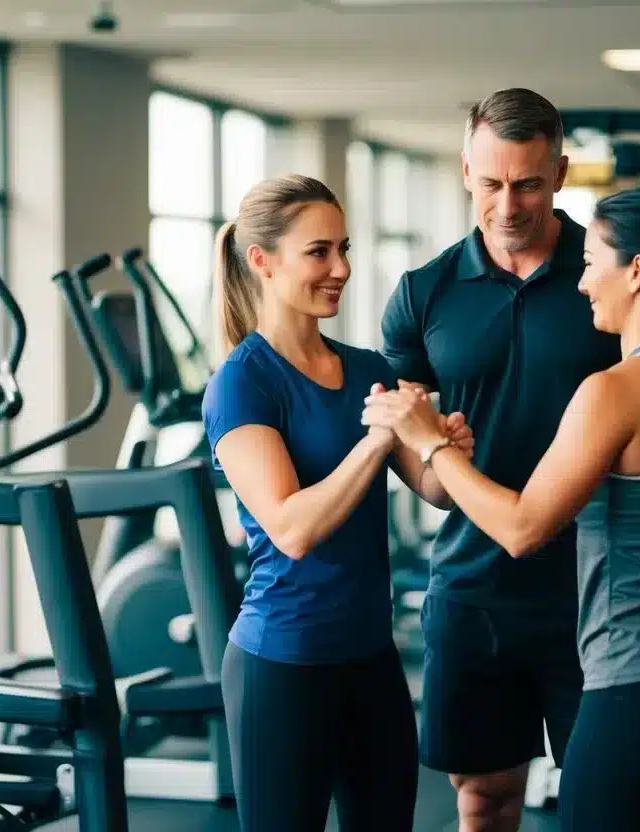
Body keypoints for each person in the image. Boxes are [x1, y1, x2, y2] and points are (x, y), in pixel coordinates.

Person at [363, 183, 640, 831]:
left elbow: (522, 529)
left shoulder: (613, 392)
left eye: (591, 262)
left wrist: (430, 446)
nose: (583, 281)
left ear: (637, 272)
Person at [200, 172, 474, 832]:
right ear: (261, 261)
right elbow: (292, 527)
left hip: (371, 660)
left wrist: (447, 448)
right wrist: (379, 438)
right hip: (282, 665)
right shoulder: (241, 384)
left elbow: (434, 492)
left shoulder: (365, 368)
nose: (341, 269)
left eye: (343, 248)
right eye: (318, 252)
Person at [379, 87, 621, 830]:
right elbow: (406, 438)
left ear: (560, 173)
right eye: (489, 184)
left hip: (599, 593)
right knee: (483, 801)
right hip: (473, 591)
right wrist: (438, 474)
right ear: (464, 172)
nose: (507, 204)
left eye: (527, 184)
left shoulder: (608, 277)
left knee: (605, 803)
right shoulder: (422, 294)